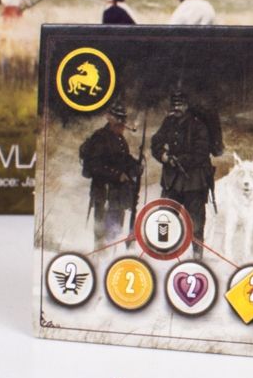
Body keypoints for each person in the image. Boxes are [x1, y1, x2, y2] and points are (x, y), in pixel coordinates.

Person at [150, 87, 214, 259]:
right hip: (171, 181)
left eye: (180, 105)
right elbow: (156, 142)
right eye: (174, 105)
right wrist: (163, 156)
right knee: (165, 218)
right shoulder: (168, 122)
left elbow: (201, 153)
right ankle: (162, 252)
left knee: (195, 223)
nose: (177, 108)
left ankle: (197, 256)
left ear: (187, 106)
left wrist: (180, 160)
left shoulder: (198, 125)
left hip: (194, 182)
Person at [79, 100, 141, 249]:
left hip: (117, 194)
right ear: (111, 120)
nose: (122, 125)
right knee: (101, 230)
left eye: (123, 121)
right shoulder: (100, 137)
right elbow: (95, 166)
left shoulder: (120, 139)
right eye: (119, 120)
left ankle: (111, 252)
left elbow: (123, 159)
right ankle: (99, 253)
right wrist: (117, 174)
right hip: (103, 191)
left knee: (115, 229)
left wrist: (135, 165)